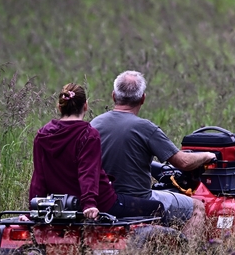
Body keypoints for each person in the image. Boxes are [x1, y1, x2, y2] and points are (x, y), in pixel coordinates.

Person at [90, 71, 216, 241]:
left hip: (100, 199)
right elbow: (184, 162)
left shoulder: (94, 124)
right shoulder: (145, 128)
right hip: (138, 199)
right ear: (143, 98)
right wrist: (207, 155)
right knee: (197, 207)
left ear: (113, 96)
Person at [29, 83, 163, 220]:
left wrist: (33, 210)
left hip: (62, 206)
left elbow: (39, 177)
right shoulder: (87, 134)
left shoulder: (42, 135)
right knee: (157, 208)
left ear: (59, 106)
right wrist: (89, 204)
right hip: (103, 204)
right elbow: (87, 171)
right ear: (85, 106)